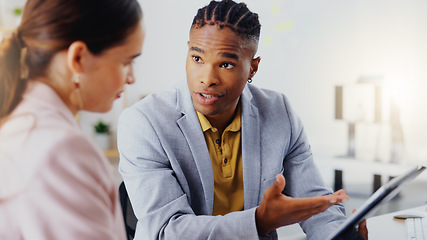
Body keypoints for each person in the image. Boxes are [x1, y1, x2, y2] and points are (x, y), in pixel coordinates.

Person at [118, 0, 366, 239]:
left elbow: (315, 205)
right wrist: (259, 222)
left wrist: (340, 236)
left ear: (253, 68)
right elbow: (167, 231)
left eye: (225, 64)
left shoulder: (279, 112)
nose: (207, 78)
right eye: (197, 58)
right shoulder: (143, 123)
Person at [0, 0, 144, 239]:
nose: (131, 78)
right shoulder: (62, 150)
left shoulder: (19, 122)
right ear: (78, 58)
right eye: (126, 62)